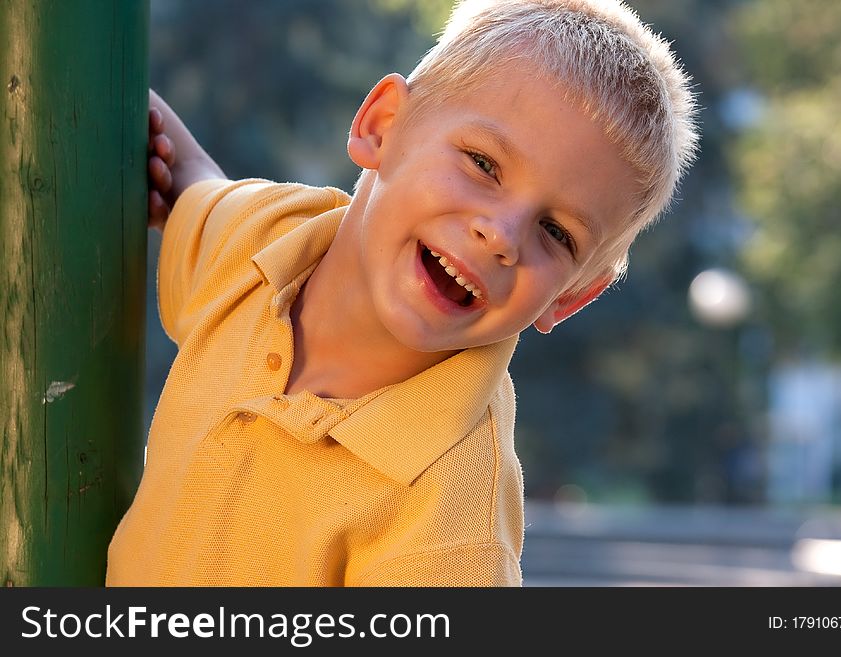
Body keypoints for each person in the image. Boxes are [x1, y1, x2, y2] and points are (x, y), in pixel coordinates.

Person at [106, 0, 698, 586]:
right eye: (483, 164)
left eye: (556, 233)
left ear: (569, 298)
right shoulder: (263, 245)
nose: (502, 235)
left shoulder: (451, 519)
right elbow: (188, 175)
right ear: (382, 125)